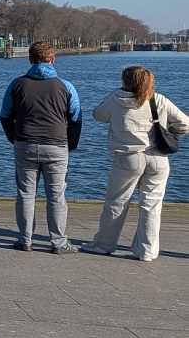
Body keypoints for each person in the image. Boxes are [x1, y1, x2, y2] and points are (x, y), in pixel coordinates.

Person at [81, 66, 189, 261]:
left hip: (128, 157)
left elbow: (98, 115)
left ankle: (104, 244)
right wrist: (169, 133)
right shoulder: (158, 100)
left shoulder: (115, 99)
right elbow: (185, 123)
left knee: (117, 201)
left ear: (125, 81)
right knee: (151, 205)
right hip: (158, 158)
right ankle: (146, 251)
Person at [0, 41, 82, 253]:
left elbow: (5, 116)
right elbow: (75, 118)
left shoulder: (16, 85)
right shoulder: (66, 86)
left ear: (30, 59)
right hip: (57, 146)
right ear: (53, 59)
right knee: (56, 196)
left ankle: (25, 240)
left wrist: (14, 138)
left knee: (26, 194)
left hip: (25, 143)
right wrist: (71, 144)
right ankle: (59, 243)